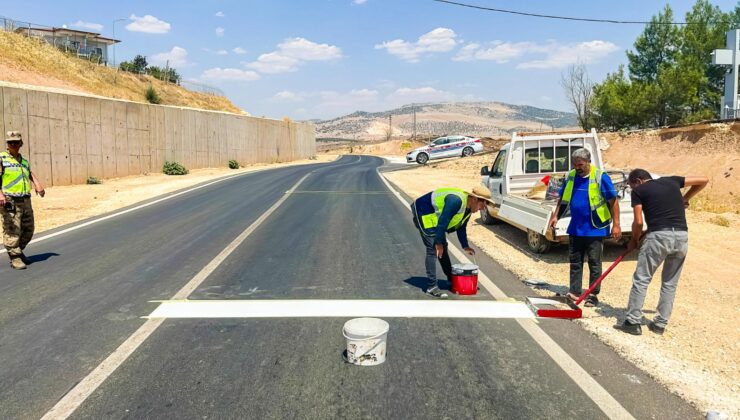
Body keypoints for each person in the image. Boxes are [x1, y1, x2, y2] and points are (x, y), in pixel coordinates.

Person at [614, 169, 708, 336]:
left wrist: (634, 241)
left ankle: (632, 322)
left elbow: (638, 221)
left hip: (658, 236)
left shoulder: (639, 191)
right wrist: (685, 198)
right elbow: (704, 179)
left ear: (638, 181)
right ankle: (660, 325)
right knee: (670, 283)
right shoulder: (672, 181)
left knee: (642, 279)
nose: (631, 189)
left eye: (630, 186)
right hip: (681, 236)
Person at [548, 148, 621, 307]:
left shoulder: (600, 177)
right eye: (574, 165)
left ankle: (593, 295)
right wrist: (555, 217)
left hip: (595, 228)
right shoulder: (572, 176)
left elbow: (613, 202)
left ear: (588, 162)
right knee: (575, 261)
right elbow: (563, 199)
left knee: (594, 262)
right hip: (576, 228)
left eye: (580, 164)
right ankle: (574, 292)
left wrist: (616, 225)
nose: (577, 168)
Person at [411, 186, 494, 298]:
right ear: (474, 199)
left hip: (437, 219)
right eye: (482, 205)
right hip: (424, 212)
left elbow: (461, 227)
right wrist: (438, 243)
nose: (483, 209)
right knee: (433, 249)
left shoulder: (468, 207)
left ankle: (451, 279)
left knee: (443, 248)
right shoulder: (455, 201)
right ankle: (432, 287)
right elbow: (443, 222)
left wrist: (465, 246)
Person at [0, 131, 45, 270]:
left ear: (21, 143)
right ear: (7, 145)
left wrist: (37, 184)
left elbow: (29, 172)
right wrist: (0, 194)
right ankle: (15, 257)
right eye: (10, 142)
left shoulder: (23, 160)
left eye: (15, 142)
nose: (12, 144)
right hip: (9, 200)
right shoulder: (2, 158)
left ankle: (18, 251)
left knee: (28, 229)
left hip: (25, 199)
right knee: (12, 229)